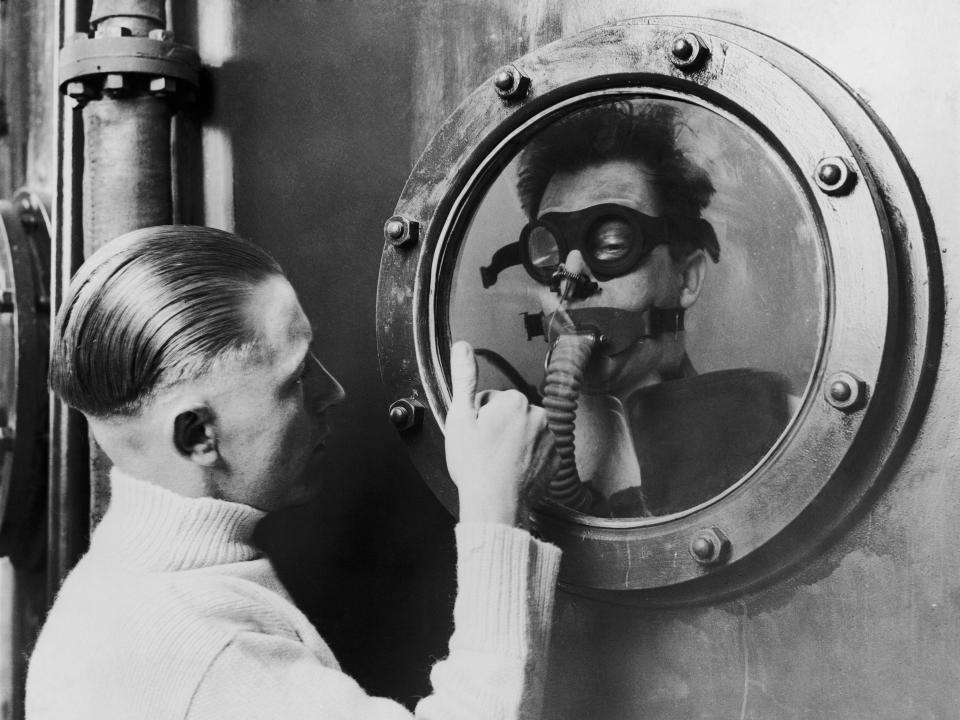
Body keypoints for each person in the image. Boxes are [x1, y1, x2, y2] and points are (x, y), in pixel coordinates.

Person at [26, 225, 561, 719]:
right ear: (197, 435)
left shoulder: (123, 591)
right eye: (297, 375)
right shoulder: (204, 652)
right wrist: (496, 510)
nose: (333, 391)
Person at [483, 100, 793, 517]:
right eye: (549, 254)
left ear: (686, 280)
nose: (569, 279)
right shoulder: (497, 452)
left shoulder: (777, 429)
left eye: (611, 245)